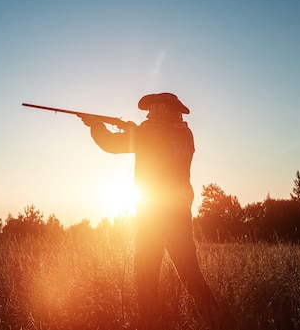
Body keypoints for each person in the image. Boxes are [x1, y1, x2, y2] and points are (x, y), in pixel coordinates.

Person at [79, 93, 221, 330]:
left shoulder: (149, 131)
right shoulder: (186, 134)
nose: (148, 114)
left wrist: (95, 124)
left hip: (153, 213)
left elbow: (111, 145)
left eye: (152, 109)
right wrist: (133, 128)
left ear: (163, 108)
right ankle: (219, 321)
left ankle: (149, 323)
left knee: (145, 274)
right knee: (191, 275)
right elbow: (156, 141)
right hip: (179, 212)